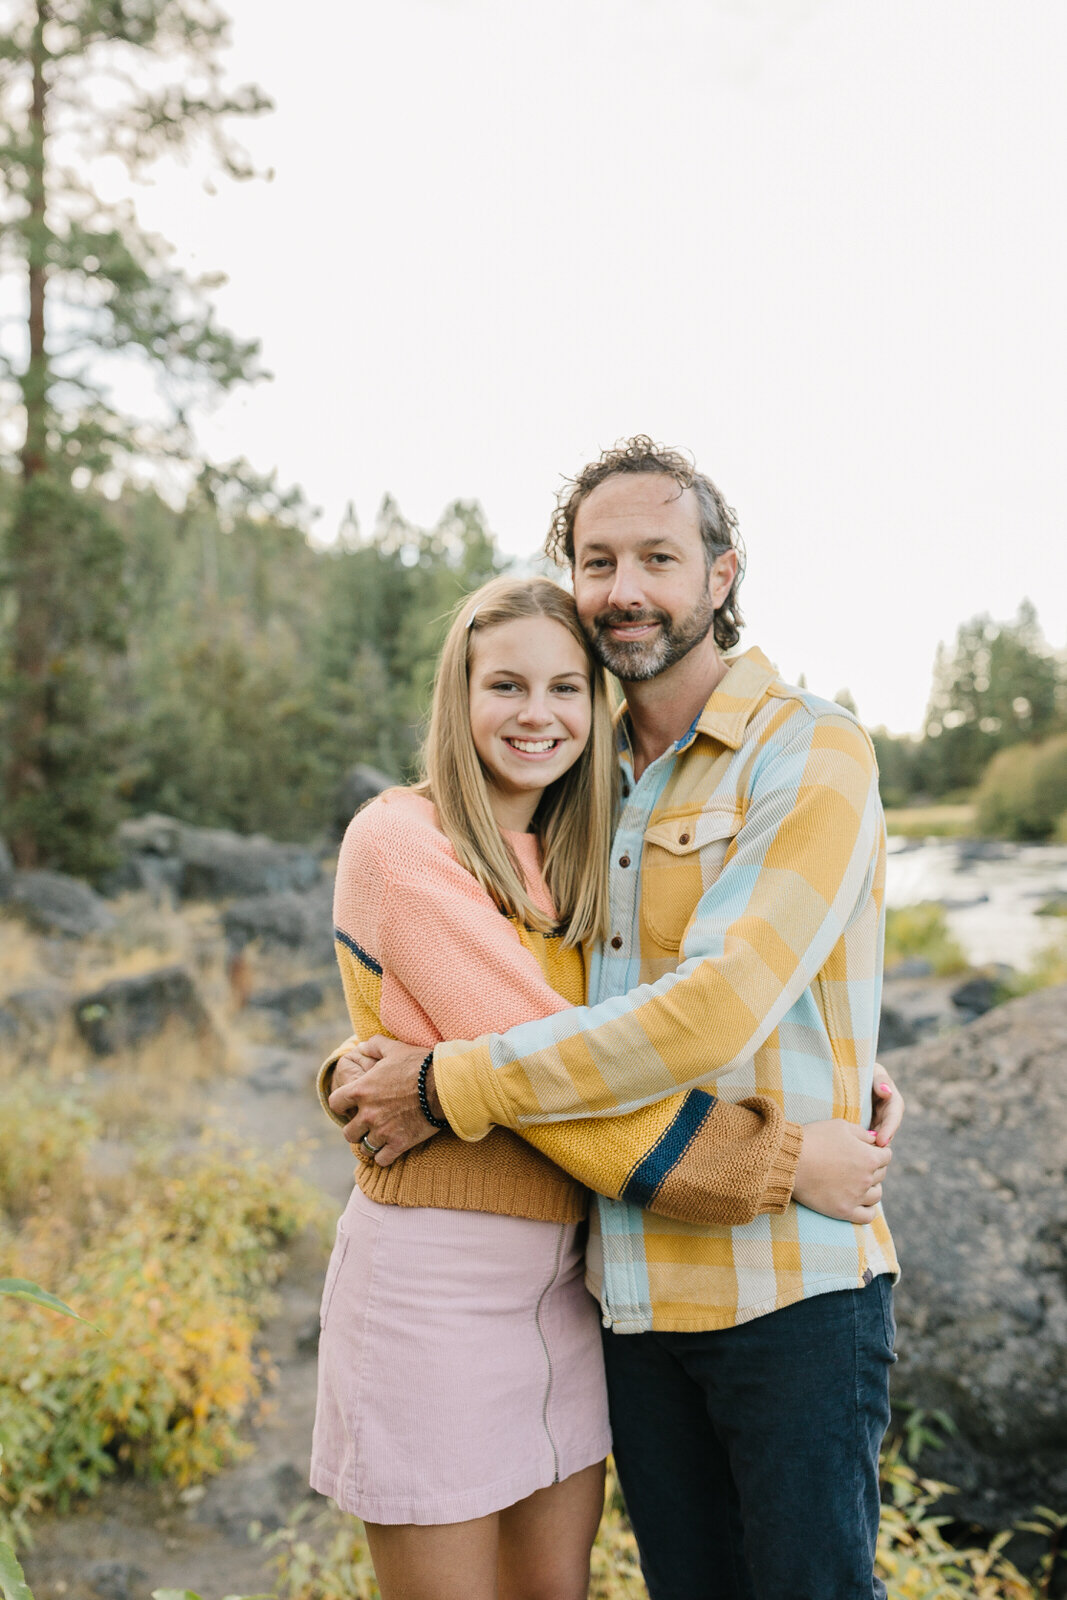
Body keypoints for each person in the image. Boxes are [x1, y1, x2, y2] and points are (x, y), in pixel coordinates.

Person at [335, 437, 902, 1600]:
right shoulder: (592, 788)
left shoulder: (807, 748)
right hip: (622, 1294)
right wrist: (363, 1059)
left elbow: (715, 1007)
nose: (624, 588)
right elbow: (525, 995)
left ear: (721, 574)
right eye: (596, 560)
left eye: (657, 555)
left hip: (780, 1290)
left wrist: (446, 1083)